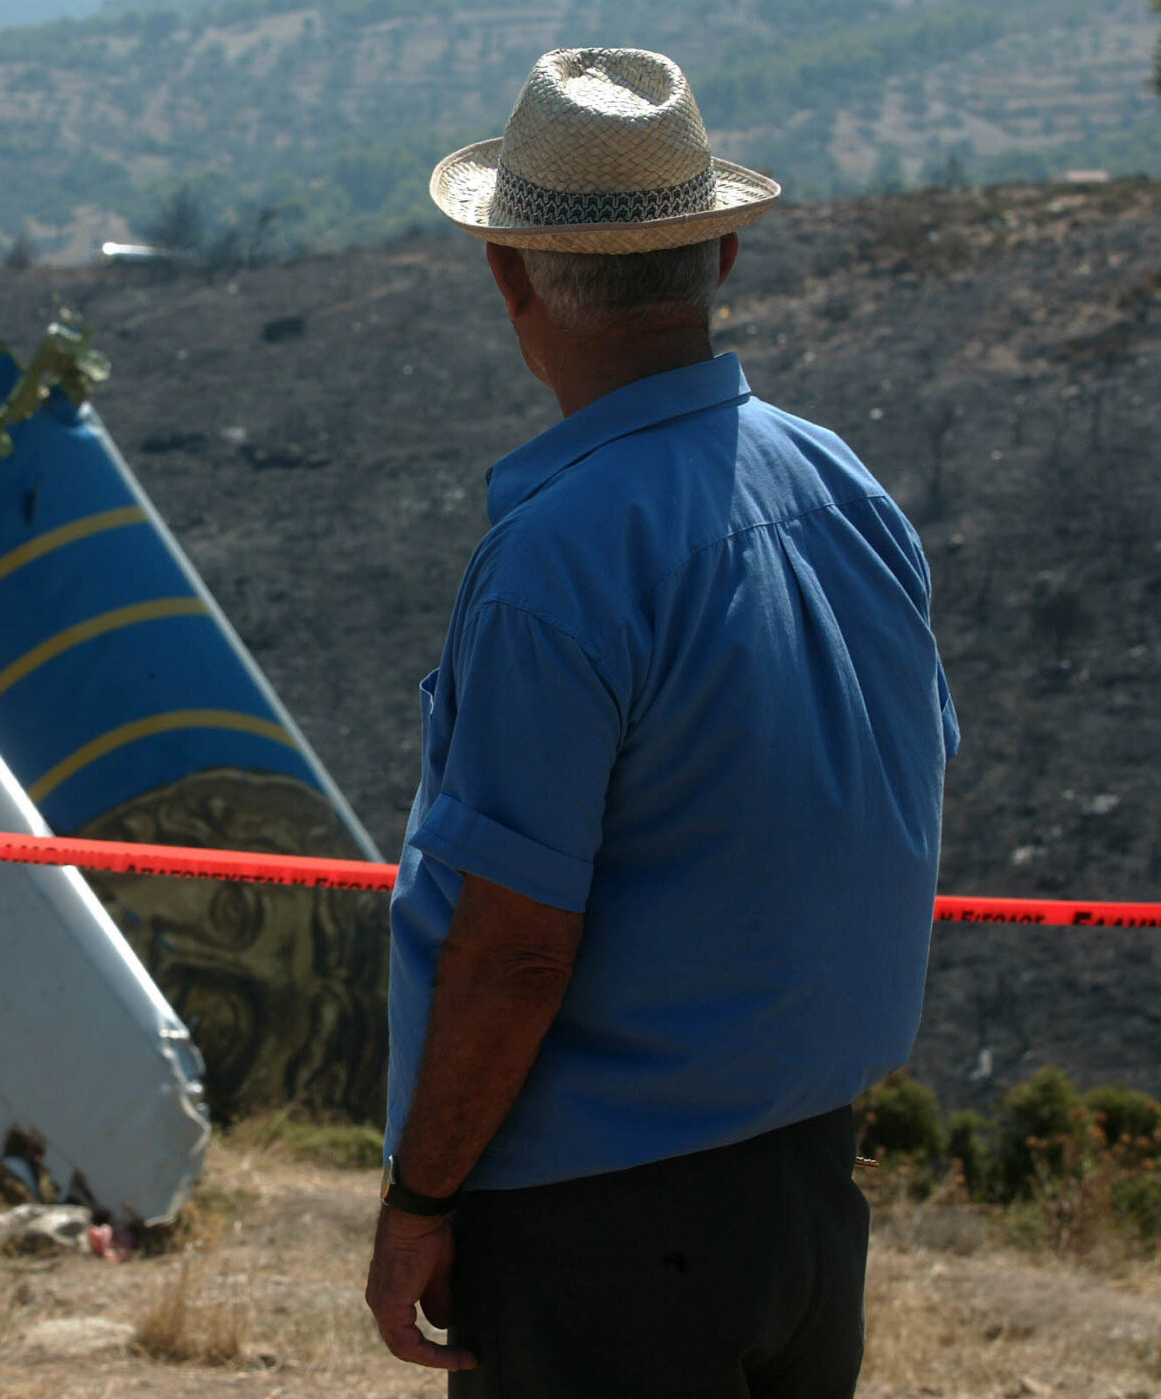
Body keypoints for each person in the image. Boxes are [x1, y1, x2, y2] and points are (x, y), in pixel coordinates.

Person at [364, 47, 960, 1397]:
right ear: (724, 252)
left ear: (510, 273)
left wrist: (421, 1199)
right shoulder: (843, 488)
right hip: (811, 1190)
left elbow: (512, 949)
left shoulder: (555, 561)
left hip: (603, 1234)